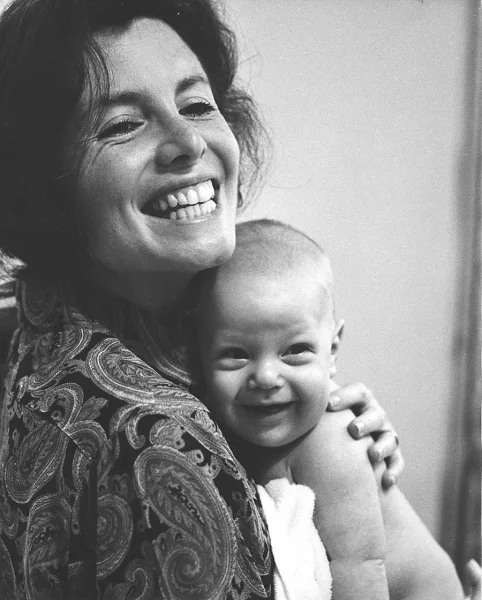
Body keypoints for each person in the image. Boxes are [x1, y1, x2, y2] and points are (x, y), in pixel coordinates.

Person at [0, 0, 415, 598]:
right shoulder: (156, 446)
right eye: (122, 125)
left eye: (197, 105)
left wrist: (332, 446)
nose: (188, 142)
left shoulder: (53, 322)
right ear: (46, 188)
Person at [189, 218, 465, 600]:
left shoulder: (333, 442)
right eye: (236, 354)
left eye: (295, 351)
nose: (266, 377)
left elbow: (362, 573)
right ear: (198, 357)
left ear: (332, 350)